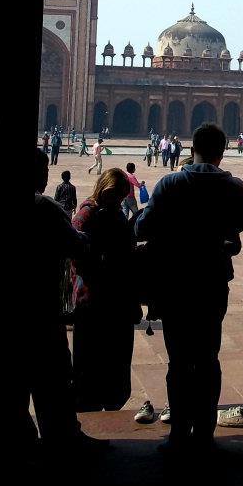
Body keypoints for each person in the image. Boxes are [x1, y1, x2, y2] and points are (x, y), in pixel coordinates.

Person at [135, 122, 243, 456]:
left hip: (174, 283)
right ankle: (204, 434)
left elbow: (143, 226)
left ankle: (179, 436)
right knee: (208, 357)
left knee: (179, 361)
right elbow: (239, 224)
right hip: (212, 282)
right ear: (222, 151)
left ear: (191, 148)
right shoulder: (234, 187)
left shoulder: (171, 184)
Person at [23, 150, 107, 457]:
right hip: (43, 305)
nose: (46, 175)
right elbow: (77, 244)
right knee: (53, 378)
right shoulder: (45, 207)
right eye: (43, 169)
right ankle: (63, 439)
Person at [71, 168, 140, 411]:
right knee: (88, 366)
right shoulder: (87, 215)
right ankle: (89, 417)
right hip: (92, 300)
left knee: (115, 365)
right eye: (118, 196)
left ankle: (110, 410)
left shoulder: (114, 213)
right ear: (107, 190)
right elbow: (77, 258)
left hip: (115, 300)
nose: (119, 201)